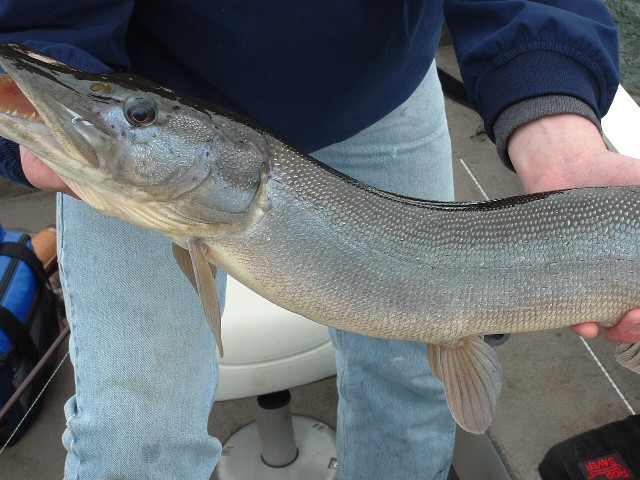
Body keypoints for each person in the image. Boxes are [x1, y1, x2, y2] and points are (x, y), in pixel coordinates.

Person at [1, 1, 640, 479]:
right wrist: (39, 48)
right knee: (131, 439)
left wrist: (555, 119)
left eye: (136, 123)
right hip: (155, 75)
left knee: (413, 383)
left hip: (376, 86)